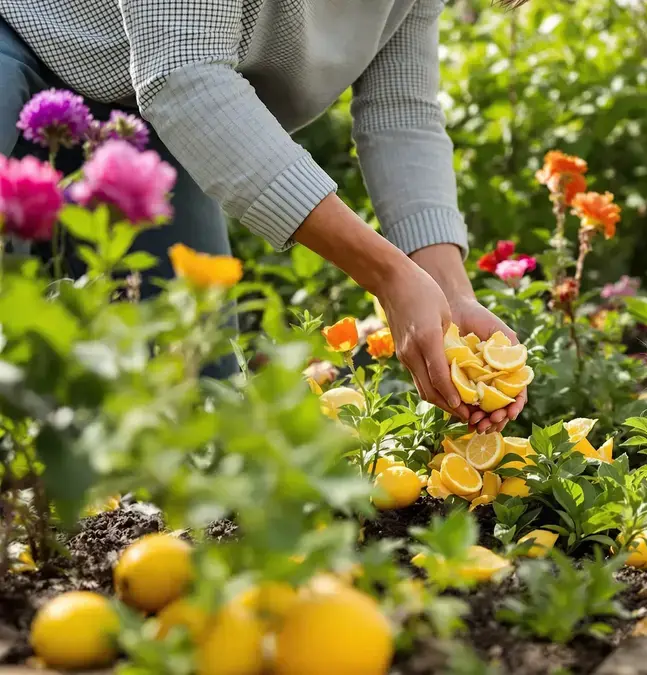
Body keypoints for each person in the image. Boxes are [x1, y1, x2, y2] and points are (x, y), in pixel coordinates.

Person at [0, 0, 524, 432]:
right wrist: (388, 275)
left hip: (141, 118)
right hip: (21, 44)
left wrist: (451, 297)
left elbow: (401, 112)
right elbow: (183, 73)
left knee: (191, 411)